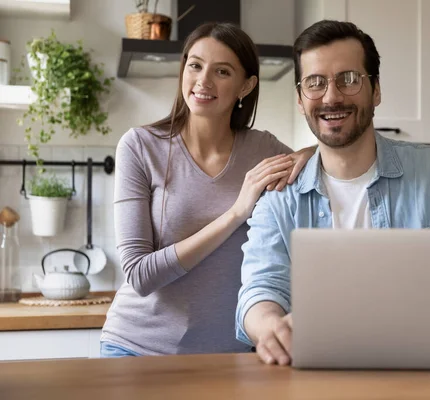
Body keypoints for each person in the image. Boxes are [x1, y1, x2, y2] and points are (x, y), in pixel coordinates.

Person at [235, 20, 430, 365]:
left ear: (377, 90)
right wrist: (270, 327)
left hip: (422, 370)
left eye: (349, 79)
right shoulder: (280, 194)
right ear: (299, 99)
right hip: (314, 377)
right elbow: (261, 288)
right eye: (315, 82)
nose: (332, 96)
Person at [100, 22, 315, 357]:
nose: (203, 81)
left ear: (246, 86)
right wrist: (235, 213)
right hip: (138, 351)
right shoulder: (140, 147)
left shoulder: (264, 149)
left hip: (233, 357)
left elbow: (327, 159)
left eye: (222, 71)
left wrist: (308, 152)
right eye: (195, 65)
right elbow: (139, 274)